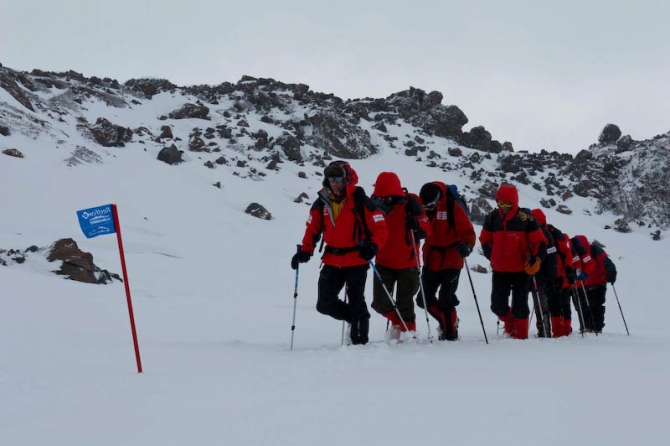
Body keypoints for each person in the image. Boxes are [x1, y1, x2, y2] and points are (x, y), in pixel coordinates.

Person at [291, 160, 388, 345]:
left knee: (356, 299)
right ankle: (356, 318)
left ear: (346, 179)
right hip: (332, 258)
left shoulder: (359, 199)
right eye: (330, 178)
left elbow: (380, 227)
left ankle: (360, 341)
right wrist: (305, 251)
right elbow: (312, 228)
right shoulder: (321, 202)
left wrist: (373, 246)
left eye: (338, 178)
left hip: (357, 258)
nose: (334, 182)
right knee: (324, 303)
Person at [479, 184, 547, 339]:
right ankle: (510, 323)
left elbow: (539, 241)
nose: (503, 207)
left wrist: (537, 260)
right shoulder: (492, 218)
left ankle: (521, 337)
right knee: (497, 306)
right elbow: (484, 240)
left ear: (514, 203)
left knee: (520, 306)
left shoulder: (525, 218)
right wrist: (492, 256)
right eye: (500, 203)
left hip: (521, 270)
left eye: (507, 204)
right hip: (499, 270)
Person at [369, 172, 432, 341]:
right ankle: (401, 325)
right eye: (380, 197)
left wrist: (417, 225)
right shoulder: (373, 203)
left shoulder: (411, 203)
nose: (383, 200)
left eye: (387, 197)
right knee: (380, 303)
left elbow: (427, 229)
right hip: (383, 261)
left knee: (406, 304)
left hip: (408, 263)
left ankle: (408, 333)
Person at [415, 182, 476, 341]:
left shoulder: (452, 206)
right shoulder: (422, 207)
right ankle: (447, 322)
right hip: (431, 259)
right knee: (423, 300)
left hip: (452, 259)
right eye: (424, 205)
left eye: (429, 205)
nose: (427, 208)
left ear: (436, 199)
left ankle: (450, 335)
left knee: (446, 300)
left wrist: (467, 246)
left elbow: (468, 232)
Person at [571, 235, 617, 333]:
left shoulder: (595, 251)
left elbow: (607, 263)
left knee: (595, 306)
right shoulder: (578, 254)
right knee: (584, 307)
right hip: (584, 285)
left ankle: (595, 327)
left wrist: (611, 273)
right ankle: (587, 326)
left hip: (598, 283)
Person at [545, 223, 577, 337]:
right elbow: (569, 256)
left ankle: (559, 332)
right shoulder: (559, 237)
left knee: (555, 304)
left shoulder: (555, 236)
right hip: (563, 276)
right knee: (563, 304)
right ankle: (565, 330)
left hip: (558, 276)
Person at [529, 209, 557, 337]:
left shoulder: (539, 233)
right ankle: (544, 330)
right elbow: (552, 258)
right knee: (541, 303)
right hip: (541, 275)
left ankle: (544, 330)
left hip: (537, 275)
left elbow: (550, 257)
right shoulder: (546, 234)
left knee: (539, 303)